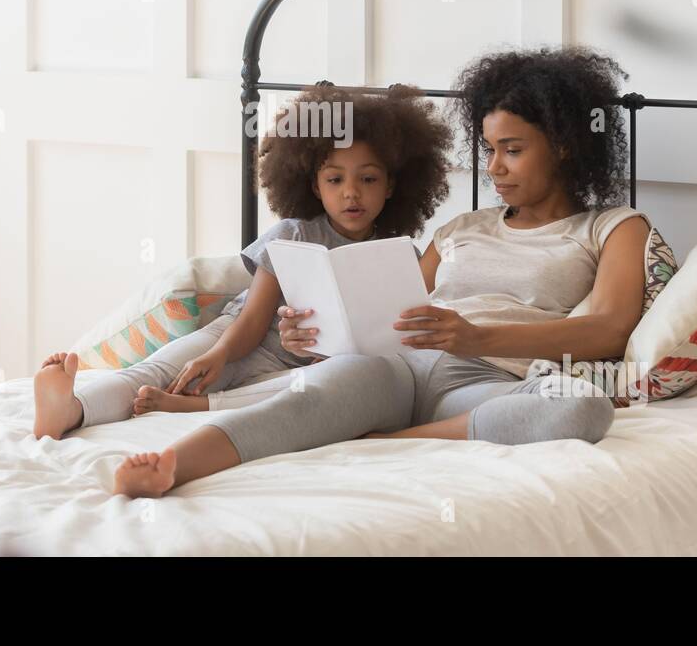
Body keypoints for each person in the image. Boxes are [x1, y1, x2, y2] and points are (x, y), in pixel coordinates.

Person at [109, 46, 651, 498]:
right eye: (488, 150)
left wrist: (478, 336)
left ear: (562, 146)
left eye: (512, 151)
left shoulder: (613, 228)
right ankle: (173, 465)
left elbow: (608, 328)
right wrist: (313, 332)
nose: (493, 169)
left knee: (582, 407)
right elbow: (387, 306)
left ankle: (394, 438)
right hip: (396, 365)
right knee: (310, 394)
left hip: (487, 380)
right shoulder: (460, 228)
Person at [32, 83, 452, 439]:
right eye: (335, 179)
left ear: (394, 185)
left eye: (368, 179)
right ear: (313, 184)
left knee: (304, 396)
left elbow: (395, 343)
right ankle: (71, 409)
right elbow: (252, 320)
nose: (351, 194)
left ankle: (197, 408)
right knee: (158, 370)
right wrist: (217, 354)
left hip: (307, 371)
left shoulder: (401, 256)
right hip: (239, 339)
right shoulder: (293, 234)